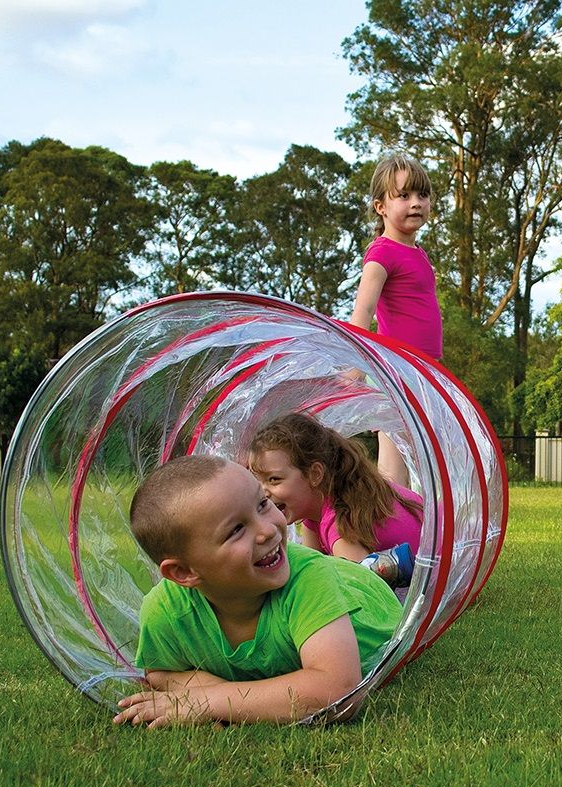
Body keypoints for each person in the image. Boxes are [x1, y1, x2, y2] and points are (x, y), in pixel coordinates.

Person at [113, 454, 402, 729]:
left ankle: (378, 566)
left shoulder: (309, 579)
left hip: (366, 594)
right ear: (184, 573)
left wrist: (209, 701)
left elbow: (339, 690)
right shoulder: (166, 611)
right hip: (323, 575)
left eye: (263, 504)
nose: (268, 531)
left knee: (342, 570)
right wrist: (234, 697)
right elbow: (161, 674)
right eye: (236, 530)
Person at [349, 154, 442, 485]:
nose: (416, 203)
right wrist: (354, 368)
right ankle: (390, 530)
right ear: (380, 207)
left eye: (422, 195)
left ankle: (417, 526)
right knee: (393, 463)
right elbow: (363, 310)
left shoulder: (417, 253)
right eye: (403, 196)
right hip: (394, 371)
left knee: (422, 456)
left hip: (422, 371)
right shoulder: (382, 253)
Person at [248, 412, 421, 587]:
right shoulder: (322, 504)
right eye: (258, 481)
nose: (263, 492)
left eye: (274, 479)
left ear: (315, 474)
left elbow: (360, 591)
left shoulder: (341, 523)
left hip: (439, 579)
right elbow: (307, 569)